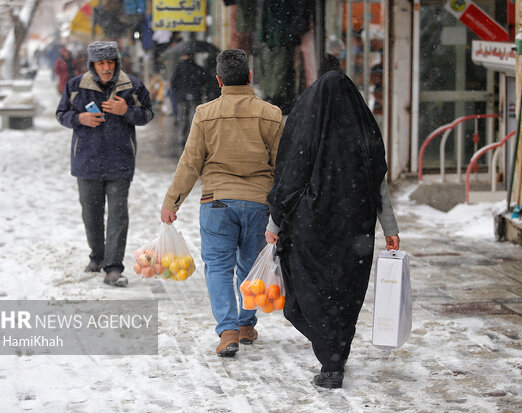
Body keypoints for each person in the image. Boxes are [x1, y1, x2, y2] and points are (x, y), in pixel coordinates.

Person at [265, 70, 400, 389]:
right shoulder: (363, 129)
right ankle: (336, 354)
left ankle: (331, 359)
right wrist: (390, 228)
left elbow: (290, 179)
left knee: (312, 295)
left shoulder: (308, 127)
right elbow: (377, 182)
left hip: (312, 230)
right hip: (355, 231)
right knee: (345, 293)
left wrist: (274, 222)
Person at [160, 49, 284, 357]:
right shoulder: (271, 113)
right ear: (250, 77)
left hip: (216, 203)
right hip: (259, 204)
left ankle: (228, 331)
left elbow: (190, 162)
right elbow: (284, 166)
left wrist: (172, 202)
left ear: (218, 80)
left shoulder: (205, 113)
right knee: (249, 265)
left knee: (217, 267)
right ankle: (245, 324)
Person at [56, 41, 154, 287]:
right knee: (91, 214)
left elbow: (148, 114)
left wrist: (126, 111)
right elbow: (61, 114)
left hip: (120, 162)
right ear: (93, 65)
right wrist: (79, 118)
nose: (107, 67)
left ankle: (113, 267)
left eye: (110, 62)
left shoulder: (132, 86)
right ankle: (97, 256)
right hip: (86, 162)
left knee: (118, 215)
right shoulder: (76, 86)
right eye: (101, 63)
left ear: (117, 62)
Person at [170, 53, 212, 148]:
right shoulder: (198, 68)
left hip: (182, 97)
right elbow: (204, 81)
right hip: (195, 96)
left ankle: (182, 137)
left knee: (183, 118)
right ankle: (193, 138)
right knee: (194, 118)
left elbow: (173, 82)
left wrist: (178, 93)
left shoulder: (178, 67)